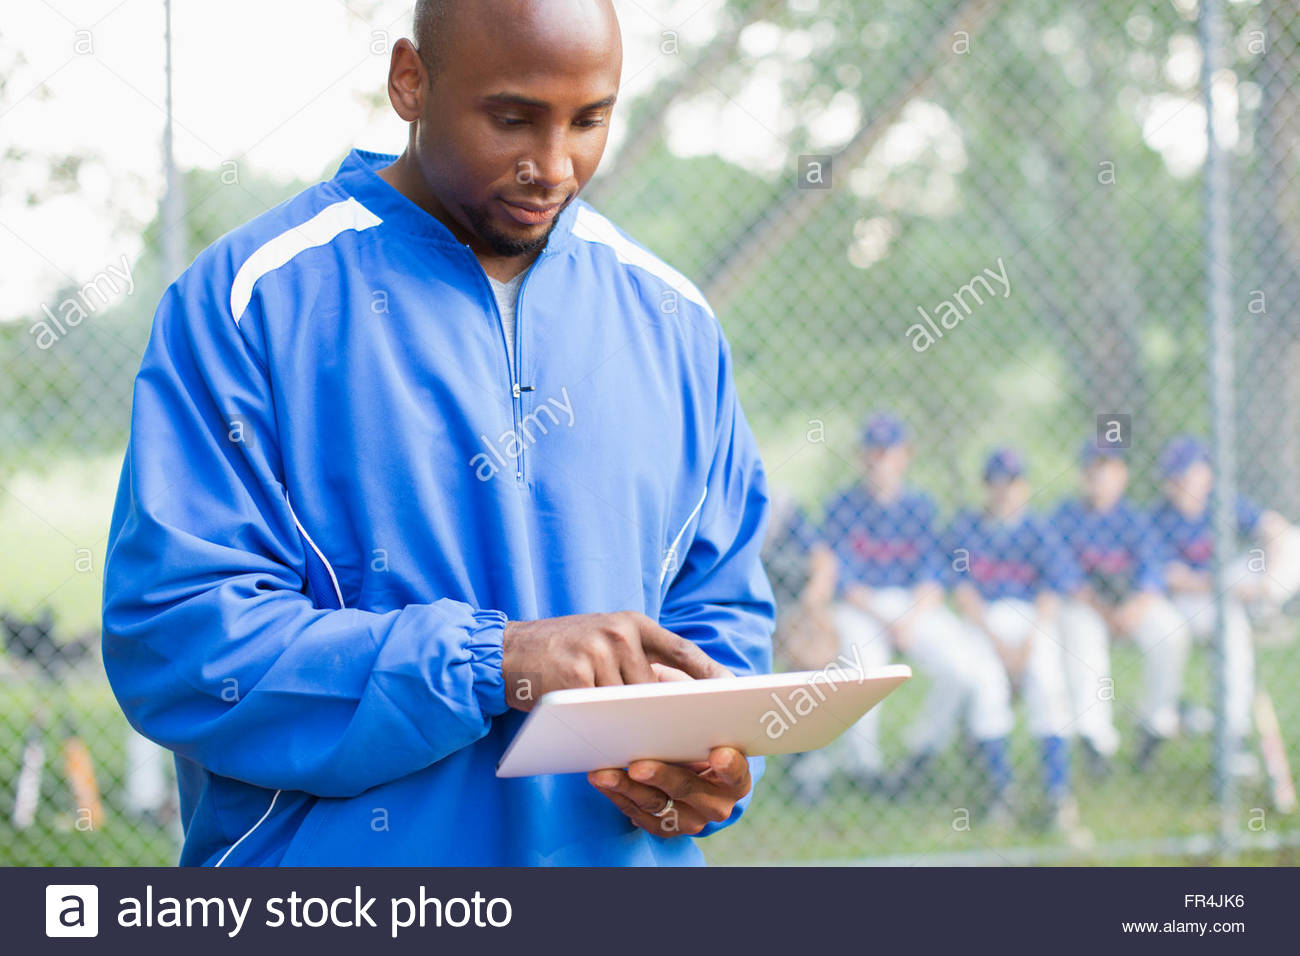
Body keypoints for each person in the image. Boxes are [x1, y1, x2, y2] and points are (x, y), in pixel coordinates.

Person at [101, 0, 775, 867]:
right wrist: (491, 662)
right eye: (512, 119)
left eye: (590, 119)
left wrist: (705, 762)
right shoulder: (249, 299)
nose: (554, 165)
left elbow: (718, 624)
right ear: (410, 81)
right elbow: (182, 639)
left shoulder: (672, 320)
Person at [798, 413, 1012, 805]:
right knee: (865, 666)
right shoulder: (842, 506)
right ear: (861, 457)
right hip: (861, 606)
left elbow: (935, 574)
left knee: (964, 668)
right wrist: (886, 620)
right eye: (873, 452)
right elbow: (841, 579)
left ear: (905, 456)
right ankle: (865, 768)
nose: (880, 461)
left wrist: (909, 618)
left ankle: (921, 752)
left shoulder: (921, 506)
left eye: (889, 452)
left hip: (914, 604)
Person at [945, 449, 1089, 842]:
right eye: (997, 484)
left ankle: (1059, 796)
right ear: (985, 488)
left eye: (1013, 484)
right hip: (984, 623)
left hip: (1032, 621)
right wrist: (996, 642)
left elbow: (1052, 590)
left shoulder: (1040, 530)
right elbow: (963, 593)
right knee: (987, 686)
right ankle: (1002, 793)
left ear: (1025, 487)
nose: (1006, 493)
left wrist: (1029, 639)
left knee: (1047, 683)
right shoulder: (966, 529)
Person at [1149, 436, 1300, 770]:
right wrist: (1226, 587)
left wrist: (1264, 584)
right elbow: (1171, 577)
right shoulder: (1159, 517)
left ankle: (1265, 608)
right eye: (1173, 478)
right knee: (1230, 628)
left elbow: (1274, 529)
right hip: (1190, 604)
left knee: (1295, 542)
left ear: (1205, 475)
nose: (1178, 485)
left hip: (1233, 589)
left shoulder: (1222, 500)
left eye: (1185, 475)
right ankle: (1231, 738)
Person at [1055, 441, 1183, 773]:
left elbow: (1154, 573)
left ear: (1122, 475)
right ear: (1083, 475)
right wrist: (1103, 610)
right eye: (1094, 470)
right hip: (1087, 607)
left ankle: (1155, 724)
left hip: (1132, 607)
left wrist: (1135, 608)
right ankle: (1096, 740)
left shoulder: (1135, 518)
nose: (1100, 477)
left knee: (1170, 632)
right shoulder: (1065, 517)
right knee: (1081, 635)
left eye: (1108, 469)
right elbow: (1062, 574)